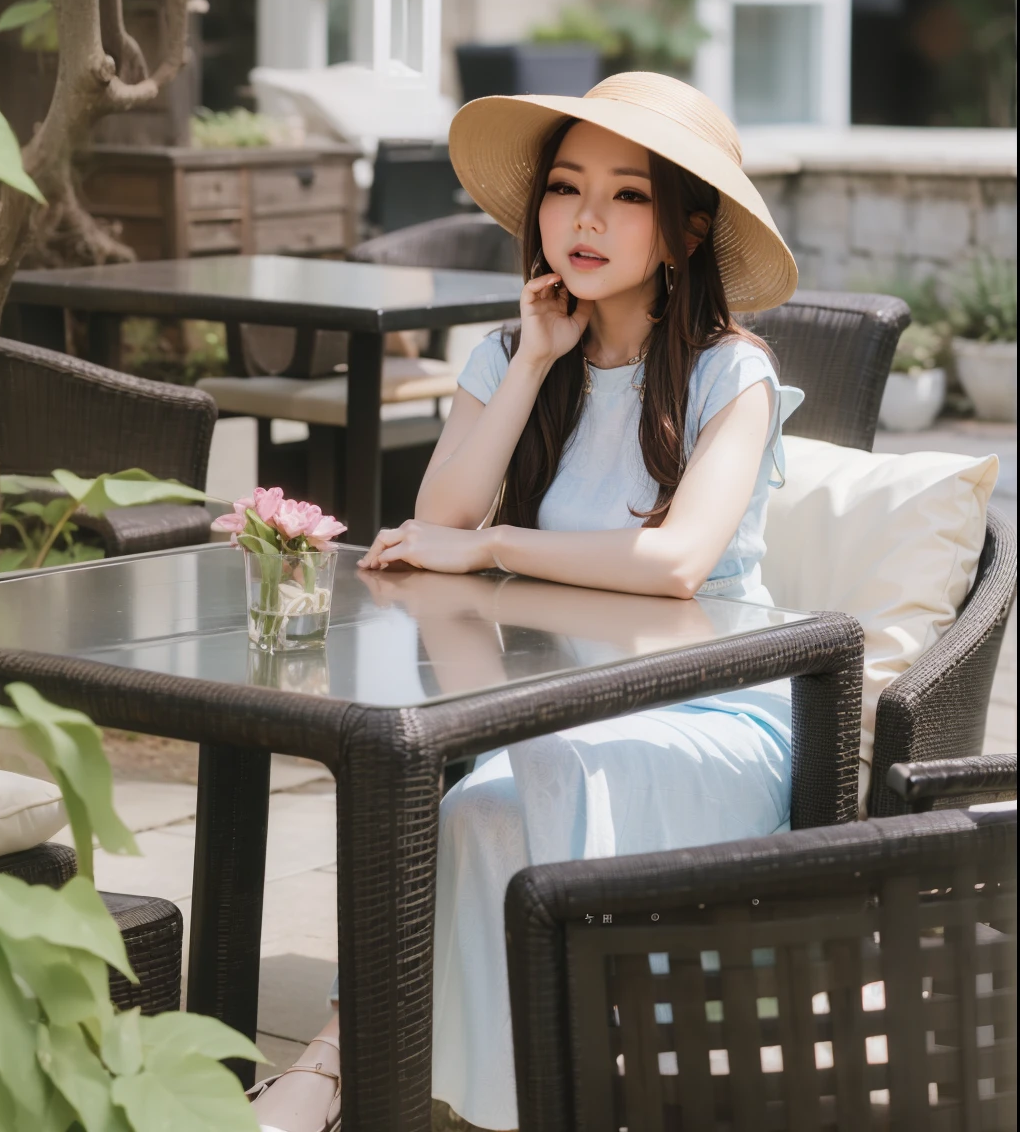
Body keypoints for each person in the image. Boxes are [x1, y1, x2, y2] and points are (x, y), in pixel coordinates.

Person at [249, 72, 802, 1132]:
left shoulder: (734, 372)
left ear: (686, 230)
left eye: (627, 195)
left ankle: (371, 1074)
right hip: (550, 699)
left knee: (508, 792)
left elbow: (677, 559)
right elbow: (436, 511)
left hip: (710, 709)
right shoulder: (511, 351)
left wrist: (499, 541)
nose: (585, 218)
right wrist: (533, 360)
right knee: (470, 805)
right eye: (565, 186)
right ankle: (398, 1075)